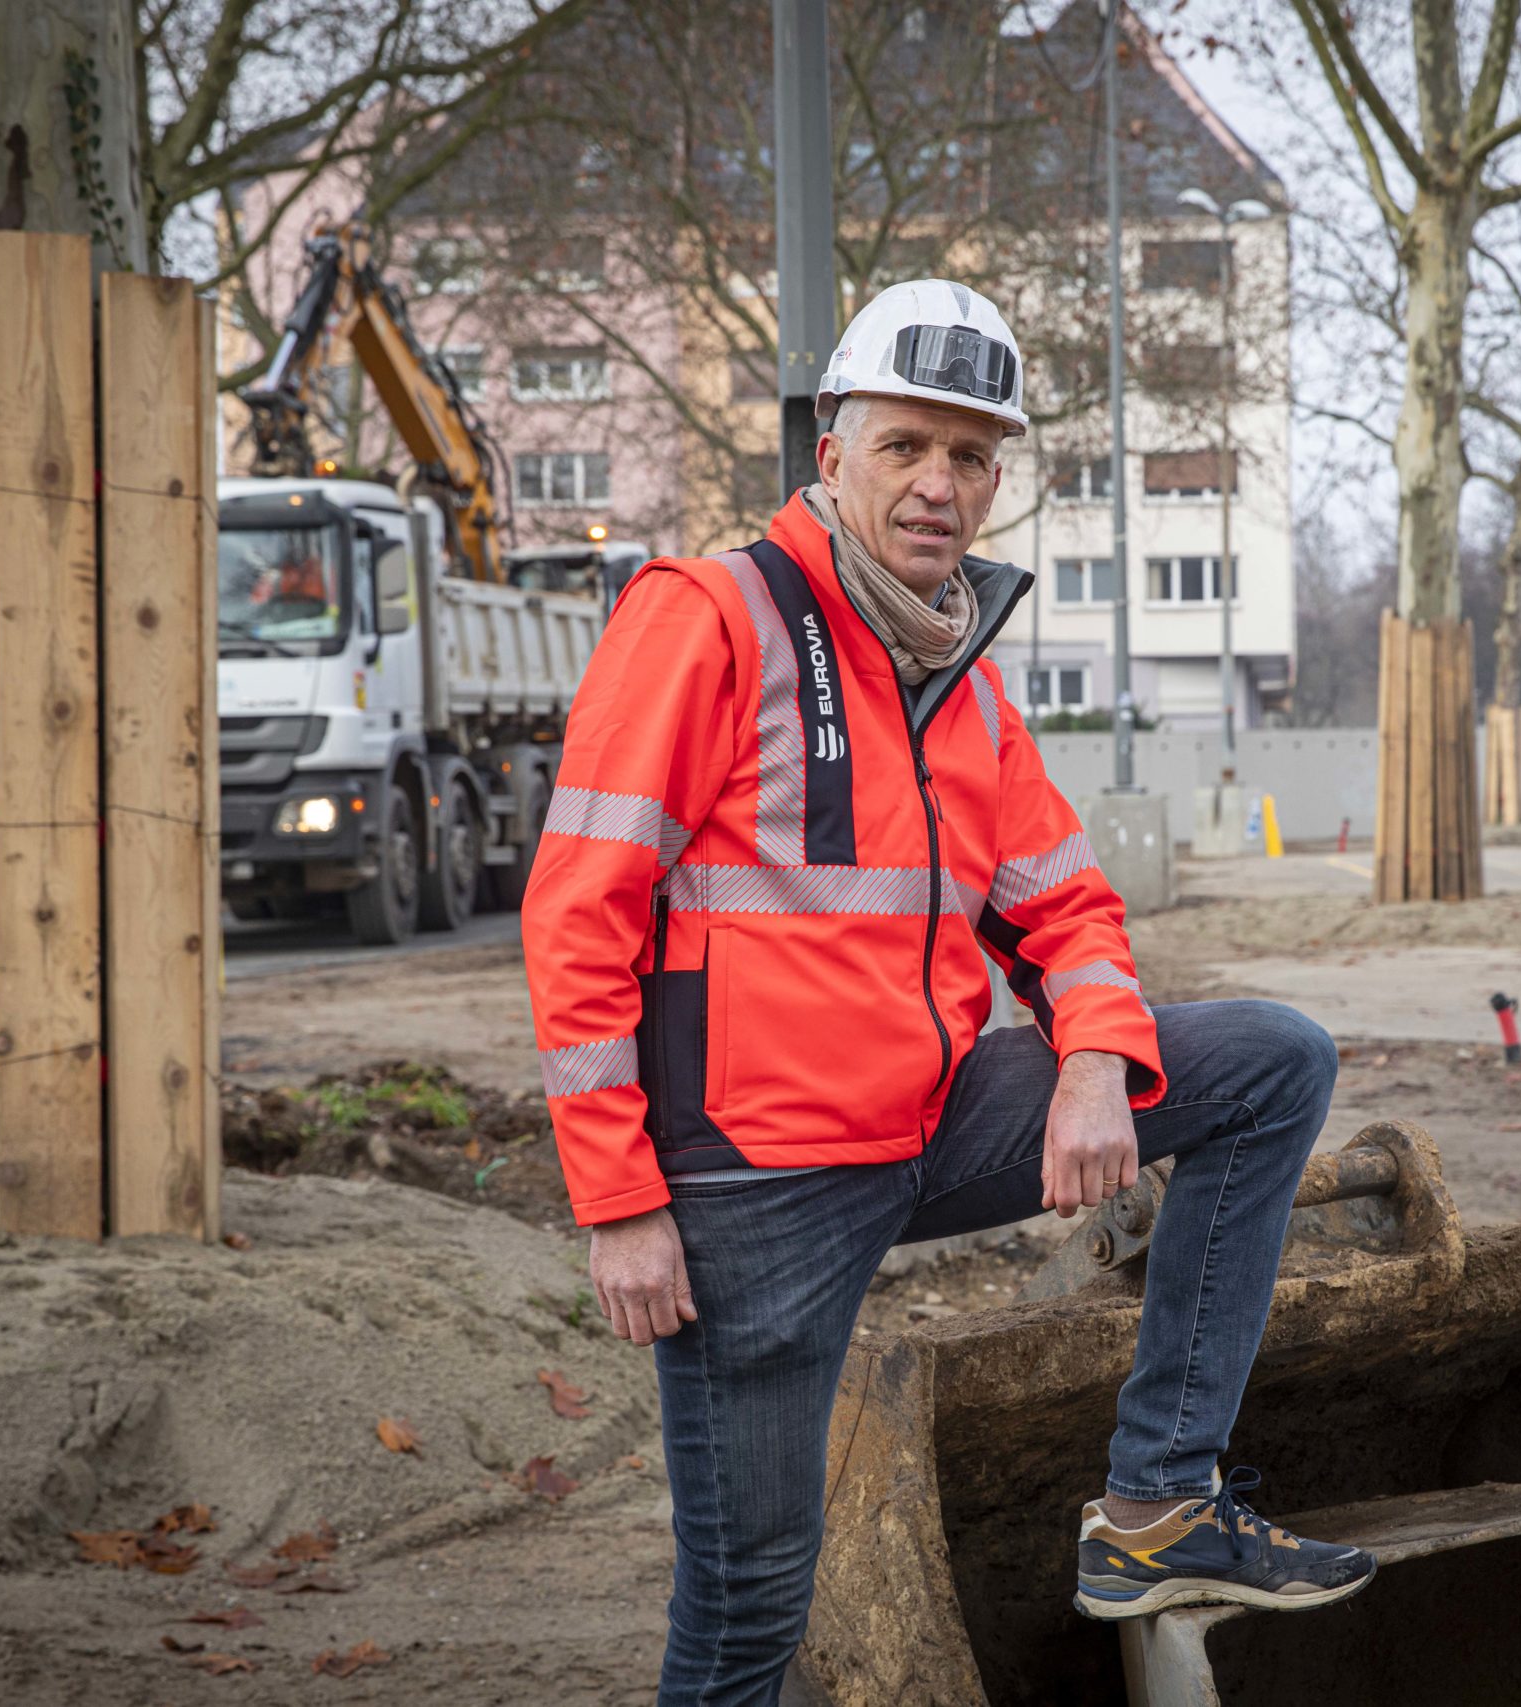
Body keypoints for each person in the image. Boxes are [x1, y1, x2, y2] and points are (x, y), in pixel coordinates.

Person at [521, 280, 1373, 1707]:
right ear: (831, 450)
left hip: (925, 1124)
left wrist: (1098, 1060)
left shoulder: (959, 679)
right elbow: (575, 914)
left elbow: (1066, 907)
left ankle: (1161, 1506)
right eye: (908, 445)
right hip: (751, 1184)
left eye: (974, 457)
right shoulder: (707, 620)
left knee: (1269, 1063)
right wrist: (618, 1203)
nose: (941, 485)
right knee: (748, 1616)